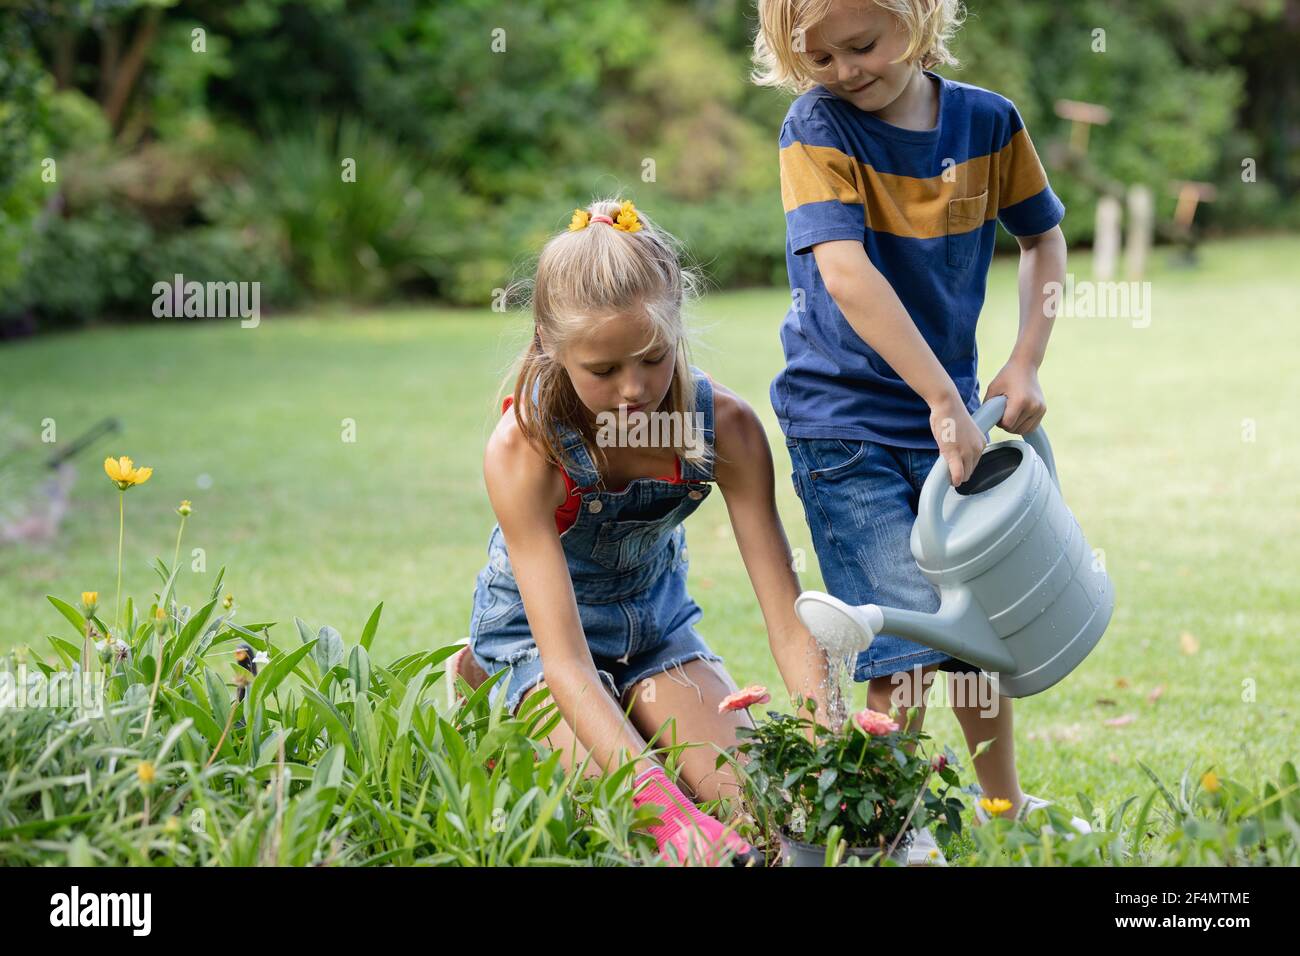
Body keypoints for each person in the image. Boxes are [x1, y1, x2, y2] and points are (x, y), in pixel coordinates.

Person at [752, 0, 1093, 856]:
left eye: (861, 44)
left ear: (919, 16)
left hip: (955, 418)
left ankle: (1002, 810)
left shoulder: (988, 123)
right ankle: (891, 826)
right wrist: (944, 398)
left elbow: (1045, 244)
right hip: (845, 423)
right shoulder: (813, 128)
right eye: (818, 57)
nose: (843, 71)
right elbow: (845, 273)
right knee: (899, 630)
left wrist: (1025, 361)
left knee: (976, 625)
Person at [453, 198, 832, 866]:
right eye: (602, 371)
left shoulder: (728, 429)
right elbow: (566, 662)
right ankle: (482, 676)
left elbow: (788, 617)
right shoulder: (524, 449)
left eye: (653, 359)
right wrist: (672, 821)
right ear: (551, 345)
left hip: (656, 634)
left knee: (763, 813)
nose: (635, 390)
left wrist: (829, 744)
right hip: (541, 651)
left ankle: (637, 709)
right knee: (630, 825)